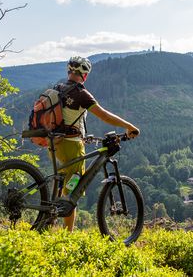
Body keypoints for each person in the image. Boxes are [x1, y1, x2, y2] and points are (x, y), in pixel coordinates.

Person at [50, 56, 140, 232]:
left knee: (61, 185)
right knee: (71, 192)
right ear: (85, 75)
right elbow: (104, 115)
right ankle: (67, 235)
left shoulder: (58, 88)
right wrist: (129, 126)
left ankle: (47, 223)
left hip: (55, 143)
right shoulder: (81, 93)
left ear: (69, 71)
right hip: (71, 145)